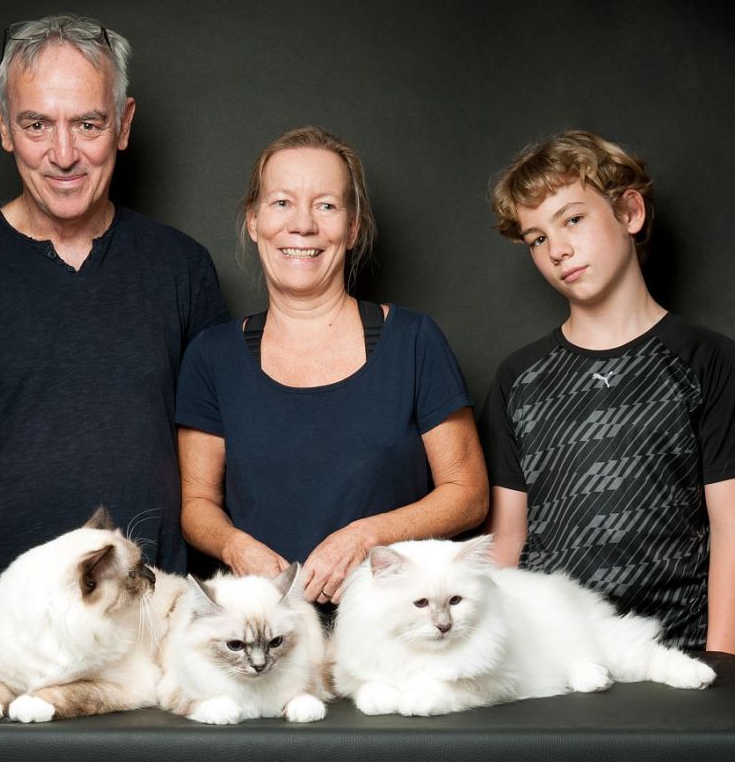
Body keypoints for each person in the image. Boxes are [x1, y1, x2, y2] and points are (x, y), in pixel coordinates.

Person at [0, 14, 227, 650]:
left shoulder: (182, 269)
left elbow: (219, 451)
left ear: (124, 124)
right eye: (36, 125)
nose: (63, 154)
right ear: (4, 126)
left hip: (152, 633)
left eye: (88, 124)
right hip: (1, 637)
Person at [175, 125, 488, 604]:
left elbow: (469, 493)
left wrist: (366, 537)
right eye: (282, 202)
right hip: (264, 632)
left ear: (353, 227)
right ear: (254, 221)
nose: (302, 225)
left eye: (326, 205)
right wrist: (235, 547)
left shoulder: (414, 341)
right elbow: (197, 504)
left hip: (396, 626)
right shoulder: (211, 356)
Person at [480, 130, 735, 652]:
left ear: (630, 213)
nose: (558, 250)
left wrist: (723, 660)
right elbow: (507, 539)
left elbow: (730, 526)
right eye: (537, 239)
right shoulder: (518, 377)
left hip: (673, 653)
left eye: (573, 219)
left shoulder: (708, 361)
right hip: (554, 655)